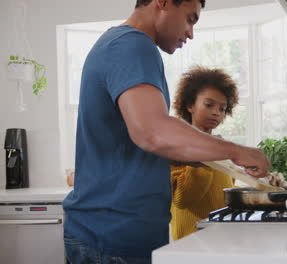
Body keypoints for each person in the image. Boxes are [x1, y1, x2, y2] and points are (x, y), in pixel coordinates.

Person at [62, 0, 270, 263]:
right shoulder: (131, 45)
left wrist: (206, 153)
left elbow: (140, 144)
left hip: (115, 237)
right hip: (110, 240)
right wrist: (236, 150)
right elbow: (153, 132)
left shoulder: (122, 46)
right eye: (190, 19)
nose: (191, 32)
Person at [170, 66, 239, 240]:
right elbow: (183, 199)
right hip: (191, 243)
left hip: (221, 239)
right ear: (190, 105)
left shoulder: (220, 147)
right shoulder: (175, 147)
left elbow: (223, 188)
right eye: (209, 105)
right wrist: (206, 158)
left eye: (222, 109)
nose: (216, 112)